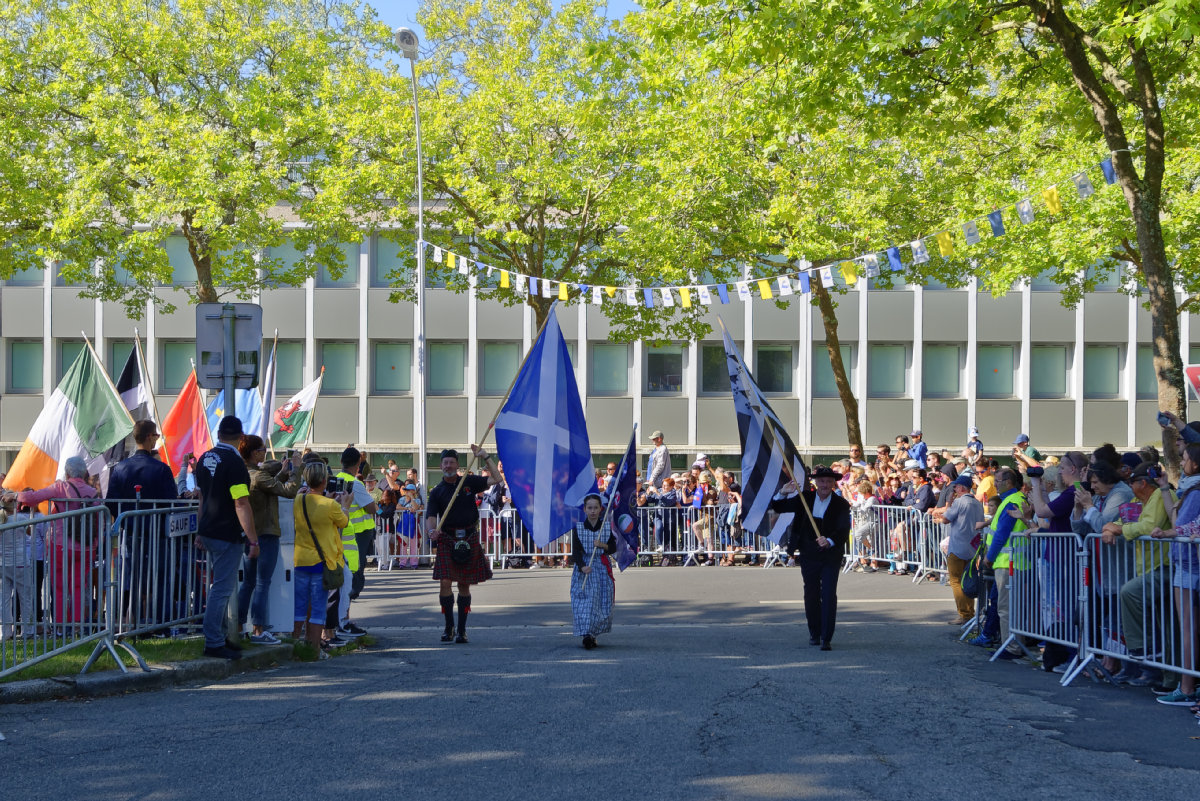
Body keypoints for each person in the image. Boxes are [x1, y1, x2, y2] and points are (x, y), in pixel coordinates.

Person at [1101, 461, 1174, 687]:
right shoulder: (1138, 500)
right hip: (1150, 568)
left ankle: (1143, 649)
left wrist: (1118, 529)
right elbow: (1121, 521)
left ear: (1142, 482)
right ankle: (1162, 673)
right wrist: (1108, 528)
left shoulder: (1163, 495)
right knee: (1163, 621)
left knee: (1130, 593)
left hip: (1166, 567)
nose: (1129, 486)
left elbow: (1146, 526)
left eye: (1131, 482)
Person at [194, 416, 260, 660]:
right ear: (241, 438)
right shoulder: (234, 462)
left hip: (209, 528)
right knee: (221, 589)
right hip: (226, 532)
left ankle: (220, 637)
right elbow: (241, 502)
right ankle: (213, 641)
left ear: (219, 434)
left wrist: (200, 529)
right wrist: (253, 539)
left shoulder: (205, 458)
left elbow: (202, 498)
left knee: (218, 587)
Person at [105, 419, 179, 634]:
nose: (156, 439)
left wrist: (128, 519)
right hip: (157, 532)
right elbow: (171, 502)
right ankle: (161, 626)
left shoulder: (120, 468)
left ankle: (135, 625)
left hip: (131, 534)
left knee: (133, 579)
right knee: (161, 578)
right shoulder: (161, 469)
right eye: (155, 435)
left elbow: (111, 503)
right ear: (149, 437)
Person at [770, 465, 852, 650]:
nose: (825, 484)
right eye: (822, 481)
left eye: (829, 481)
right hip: (809, 553)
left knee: (829, 594)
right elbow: (777, 507)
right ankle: (814, 633)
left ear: (833, 483)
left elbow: (843, 530)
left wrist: (829, 540)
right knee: (811, 594)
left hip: (830, 555)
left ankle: (826, 637)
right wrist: (783, 492)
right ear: (815, 482)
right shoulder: (805, 499)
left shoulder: (841, 504)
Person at [425, 446, 499, 643]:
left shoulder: (469, 482)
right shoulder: (437, 492)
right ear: (441, 466)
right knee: (445, 583)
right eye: (445, 462)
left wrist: (486, 457)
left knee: (464, 585)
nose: (448, 465)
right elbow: (431, 517)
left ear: (457, 464)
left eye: (451, 462)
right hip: (447, 539)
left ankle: (462, 630)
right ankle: (448, 627)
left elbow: (497, 479)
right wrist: (431, 531)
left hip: (468, 537)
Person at [1150, 441, 1200, 707]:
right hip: (1187, 562)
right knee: (1190, 628)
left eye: (1184, 458)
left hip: (1189, 563)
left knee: (1188, 629)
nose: (1181, 463)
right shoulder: (1190, 489)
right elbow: (1176, 517)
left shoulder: (1196, 489)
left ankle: (1187, 686)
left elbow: (1186, 525)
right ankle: (1189, 685)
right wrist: (1163, 487)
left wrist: (1168, 532)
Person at [238, 440, 302, 644]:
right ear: (252, 453)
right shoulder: (259, 476)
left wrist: (282, 472)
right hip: (266, 533)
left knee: (248, 583)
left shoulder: (244, 474)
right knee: (262, 583)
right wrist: (297, 469)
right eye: (261, 450)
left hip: (249, 534)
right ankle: (259, 630)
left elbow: (270, 486)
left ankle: (239, 627)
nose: (264, 453)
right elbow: (289, 491)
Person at [292, 460, 351, 659]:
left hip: (301, 559)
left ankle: (294, 645)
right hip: (322, 561)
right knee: (318, 607)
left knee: (300, 605)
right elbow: (343, 521)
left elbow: (313, 502)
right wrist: (345, 505)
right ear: (325, 480)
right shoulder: (331, 505)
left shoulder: (298, 500)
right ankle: (314, 649)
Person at [979, 467, 1028, 661]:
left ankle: (1012, 646)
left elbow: (1001, 535)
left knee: (1006, 607)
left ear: (1008, 482)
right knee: (1013, 606)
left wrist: (989, 557)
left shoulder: (1010, 501)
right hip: (1017, 562)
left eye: (998, 481)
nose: (995, 485)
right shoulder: (1016, 499)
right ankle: (1016, 643)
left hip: (1008, 562)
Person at [931, 474, 985, 624]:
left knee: (956, 581)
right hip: (972, 547)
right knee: (967, 580)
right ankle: (969, 612)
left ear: (961, 488)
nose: (954, 488)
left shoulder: (960, 502)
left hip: (957, 547)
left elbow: (946, 519)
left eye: (955, 486)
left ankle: (964, 614)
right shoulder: (977, 503)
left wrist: (946, 507)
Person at [570, 493, 617, 649]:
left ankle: (593, 633)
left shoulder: (606, 527)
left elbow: (613, 547)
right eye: (589, 508)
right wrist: (582, 566)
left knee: (600, 603)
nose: (592, 511)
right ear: (584, 509)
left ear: (600, 509)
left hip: (601, 569)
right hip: (585, 569)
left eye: (595, 508)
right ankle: (586, 634)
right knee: (585, 602)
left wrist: (603, 545)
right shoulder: (578, 528)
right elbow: (575, 551)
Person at [336, 447, 377, 604]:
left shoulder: (336, 479)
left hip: (342, 529)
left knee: (345, 567)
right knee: (355, 570)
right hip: (358, 532)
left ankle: (342, 605)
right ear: (358, 463)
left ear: (341, 462)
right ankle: (345, 608)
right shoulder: (355, 483)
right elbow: (372, 508)